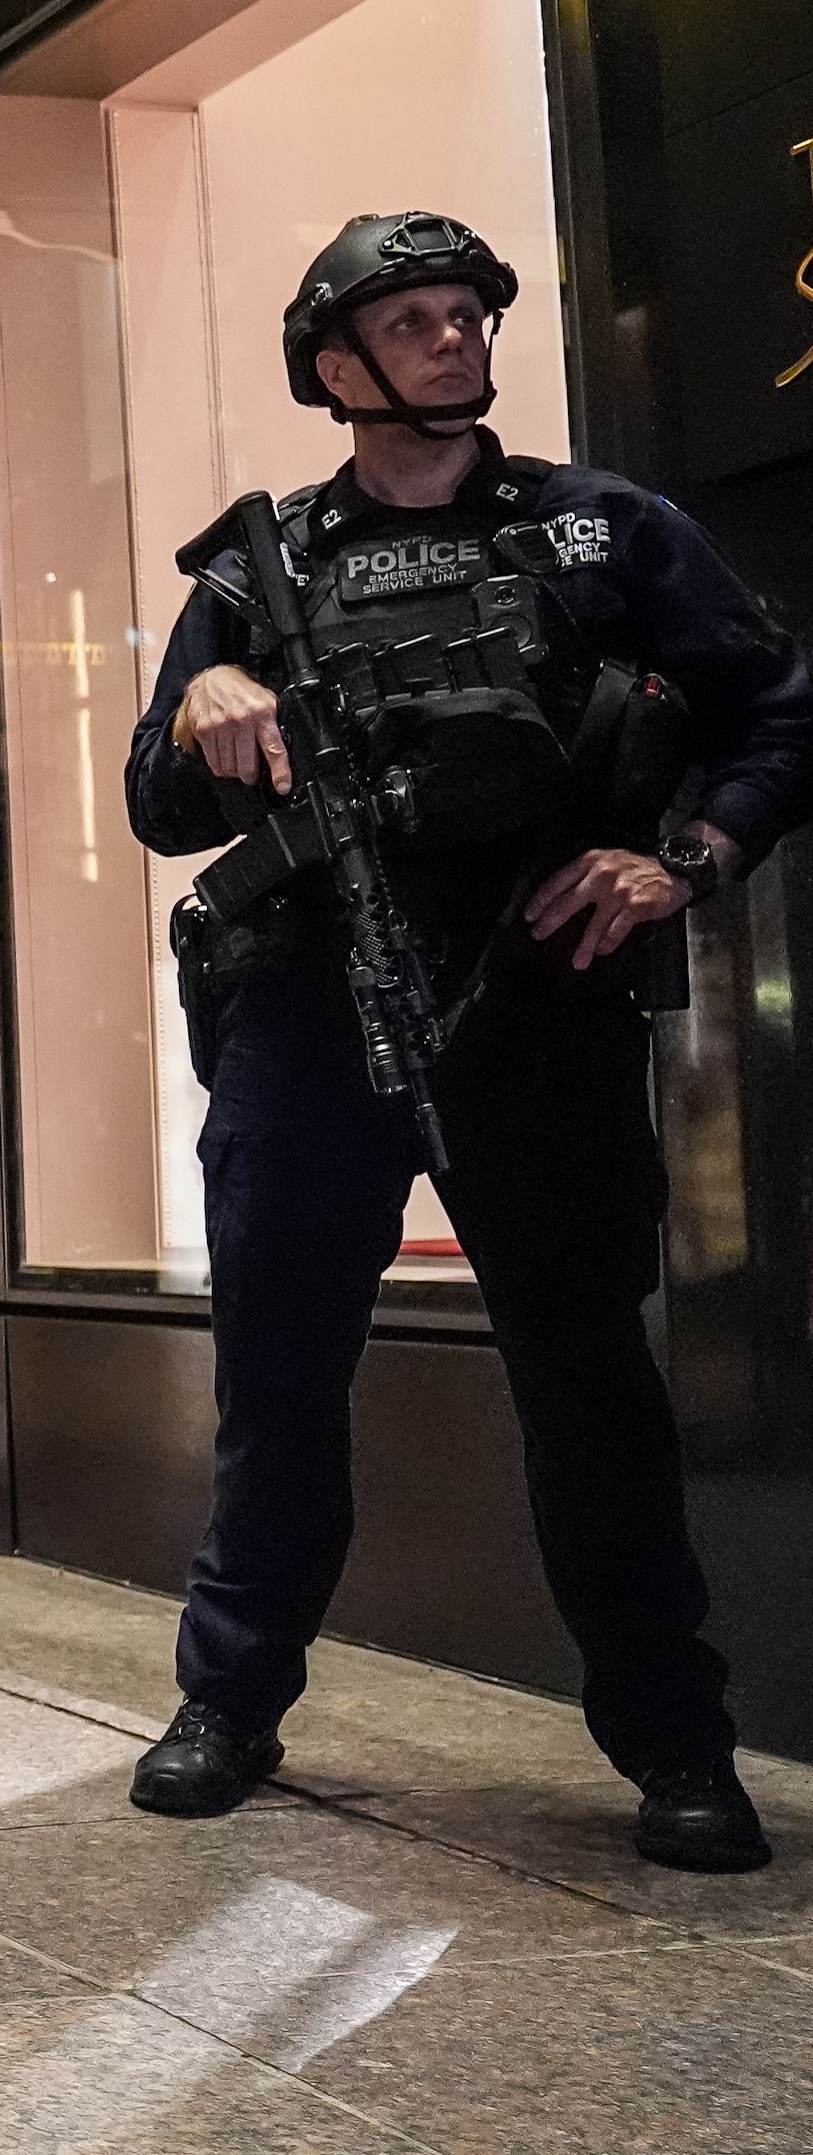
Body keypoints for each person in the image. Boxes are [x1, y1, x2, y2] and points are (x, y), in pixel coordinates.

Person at [124, 211, 813, 1875]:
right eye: (411, 321)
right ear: (334, 365)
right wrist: (204, 715)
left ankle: (673, 1738)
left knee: (588, 1383)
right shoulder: (252, 565)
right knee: (275, 1380)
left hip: (537, 1004)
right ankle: (225, 1702)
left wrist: (685, 856)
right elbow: (156, 803)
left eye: (465, 315)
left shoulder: (601, 529)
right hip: (306, 1007)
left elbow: (778, 701)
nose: (452, 341)